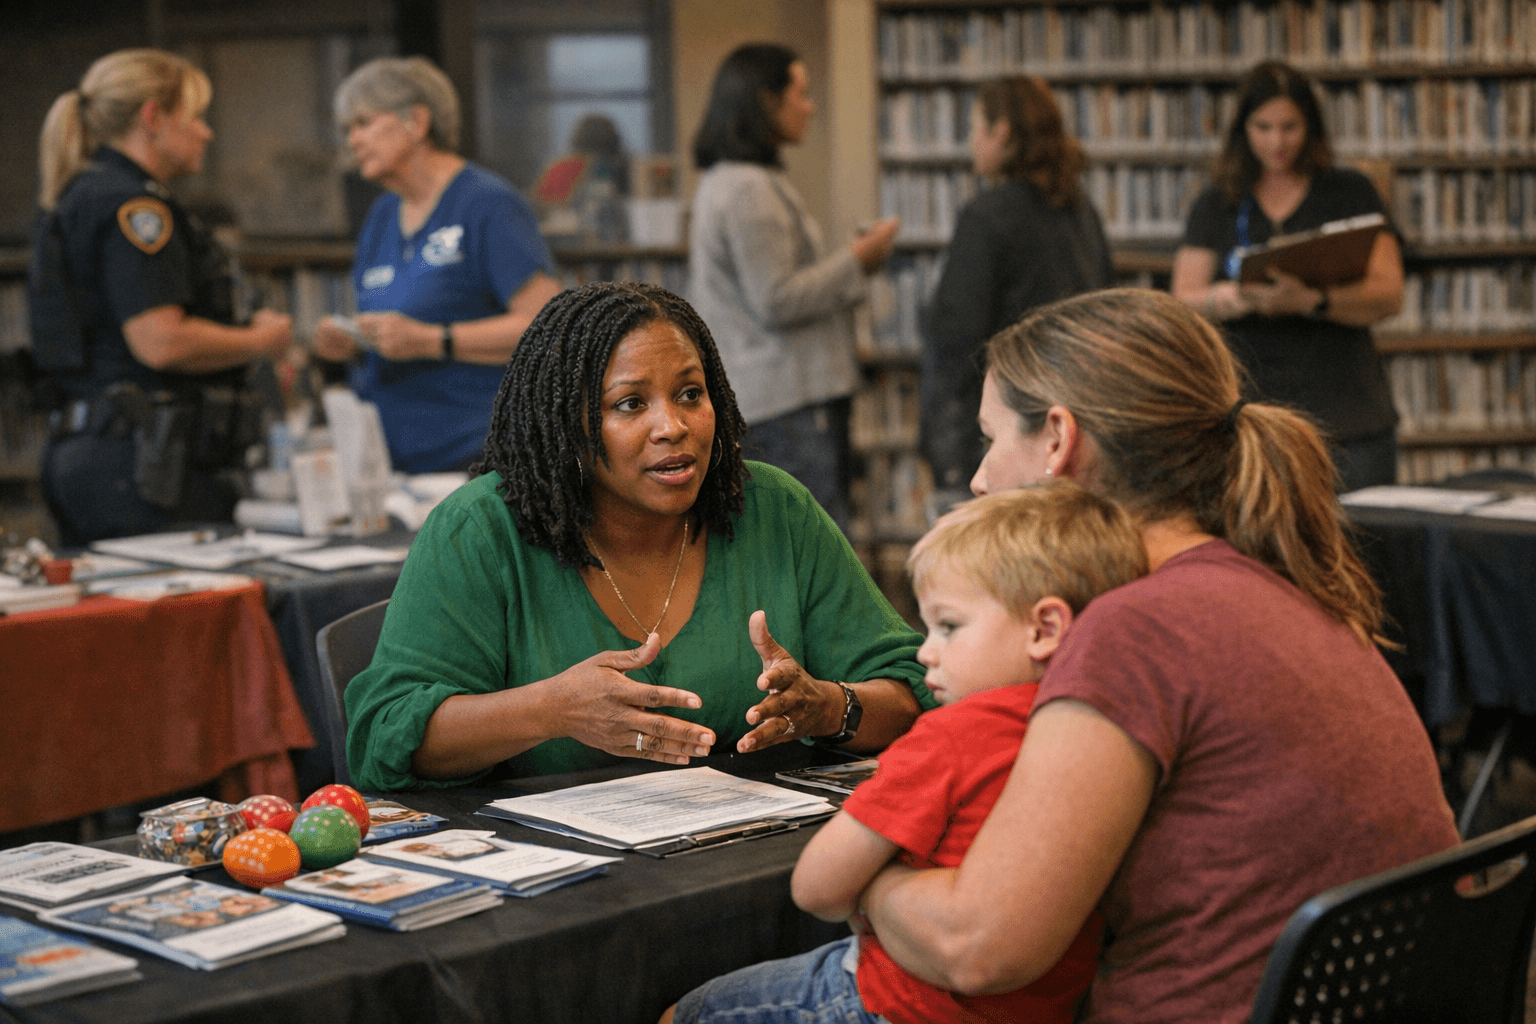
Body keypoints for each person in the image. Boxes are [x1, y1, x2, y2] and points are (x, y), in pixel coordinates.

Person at [856, 288, 1459, 1023]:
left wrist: (868, 882)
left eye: (990, 439)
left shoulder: (1131, 630)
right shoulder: (1286, 584)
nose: (980, 480)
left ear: (1057, 440)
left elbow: (978, 948)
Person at [345, 282, 932, 789]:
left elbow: (914, 694)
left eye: (690, 395)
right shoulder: (480, 529)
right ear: (564, 425)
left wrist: (831, 707)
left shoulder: (772, 508)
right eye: (630, 404)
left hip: (749, 861)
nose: (672, 427)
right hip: (555, 888)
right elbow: (387, 740)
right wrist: (551, 710)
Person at [662, 483, 1147, 1024]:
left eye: (948, 626)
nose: (924, 651)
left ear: (1045, 629)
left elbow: (816, 887)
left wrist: (867, 889)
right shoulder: (1107, 728)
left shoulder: (950, 736)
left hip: (897, 1005)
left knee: (690, 1013)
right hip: (1047, 1009)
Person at [29, 48, 294, 545]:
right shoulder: (136, 208)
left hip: (94, 451)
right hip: (145, 466)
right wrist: (260, 340)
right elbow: (160, 341)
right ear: (153, 117)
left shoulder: (78, 195)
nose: (206, 132)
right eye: (194, 117)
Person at [313, 56, 563, 473]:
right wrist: (349, 341)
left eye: (364, 123)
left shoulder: (487, 204)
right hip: (392, 465)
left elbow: (547, 327)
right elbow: (386, 326)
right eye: (347, 130)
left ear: (416, 121)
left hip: (476, 461)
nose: (353, 141)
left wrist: (432, 339)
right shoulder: (379, 217)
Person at [689, 43, 900, 532]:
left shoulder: (732, 180)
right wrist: (857, 262)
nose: (810, 106)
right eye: (800, 93)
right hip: (786, 398)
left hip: (771, 395)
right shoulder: (749, 189)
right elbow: (776, 299)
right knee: (813, 543)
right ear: (766, 101)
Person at [1172, 61, 1405, 492]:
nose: (1277, 141)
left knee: (1365, 547)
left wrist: (1312, 301)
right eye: (1263, 127)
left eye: (1289, 127)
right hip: (1252, 417)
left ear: (1310, 127)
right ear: (1243, 130)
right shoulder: (1219, 200)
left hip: (1347, 416)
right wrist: (1233, 298)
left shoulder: (1350, 191)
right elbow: (1183, 298)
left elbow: (1388, 294)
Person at [921, 76, 1114, 506]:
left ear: (1001, 132)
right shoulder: (1081, 213)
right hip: (1078, 425)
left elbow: (956, 341)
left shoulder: (985, 216)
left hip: (1005, 428)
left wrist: (947, 459)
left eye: (975, 128)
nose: (970, 141)